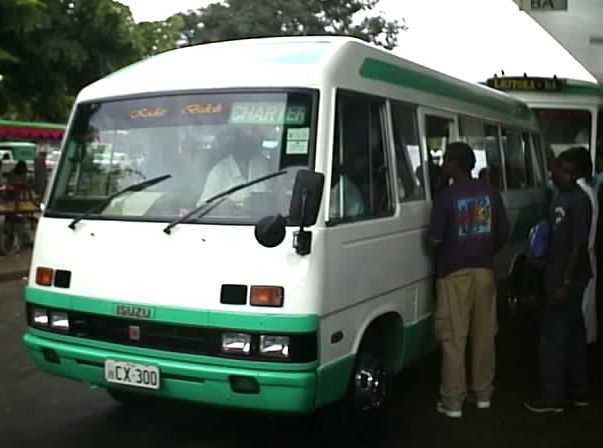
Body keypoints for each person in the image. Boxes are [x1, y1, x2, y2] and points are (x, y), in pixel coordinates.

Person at [427, 142, 509, 419]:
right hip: (485, 272)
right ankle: (483, 394)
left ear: (453, 164)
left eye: (446, 160)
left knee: (453, 338)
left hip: (454, 274)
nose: (442, 165)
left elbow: (435, 239)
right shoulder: (490, 192)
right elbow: (502, 234)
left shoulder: (445, 197)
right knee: (485, 335)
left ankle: (453, 403)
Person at [524, 148, 592, 413]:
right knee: (574, 334)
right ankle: (579, 391)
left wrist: (565, 282)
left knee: (552, 338)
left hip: (567, 278)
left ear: (572, 172)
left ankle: (551, 398)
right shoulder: (561, 195)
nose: (553, 172)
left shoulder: (578, 200)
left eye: (560, 168)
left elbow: (578, 244)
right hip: (557, 273)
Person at [568, 147, 598, 345]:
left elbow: (578, 237)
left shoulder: (580, 194)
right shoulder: (589, 191)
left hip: (581, 256)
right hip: (587, 253)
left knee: (582, 306)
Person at [200, 127, 272, 205]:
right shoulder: (219, 171)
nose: (249, 141)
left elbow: (277, 196)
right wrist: (225, 206)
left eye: (253, 138)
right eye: (244, 138)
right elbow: (203, 206)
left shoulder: (263, 164)